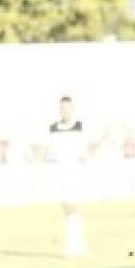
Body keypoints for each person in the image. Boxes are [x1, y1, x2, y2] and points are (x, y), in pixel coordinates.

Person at [49, 96, 87, 258]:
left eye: (67, 108)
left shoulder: (79, 127)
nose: (64, 111)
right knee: (66, 207)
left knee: (72, 206)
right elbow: (50, 149)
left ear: (72, 109)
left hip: (74, 171)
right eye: (62, 108)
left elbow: (84, 150)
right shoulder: (53, 128)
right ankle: (74, 243)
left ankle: (75, 244)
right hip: (60, 171)